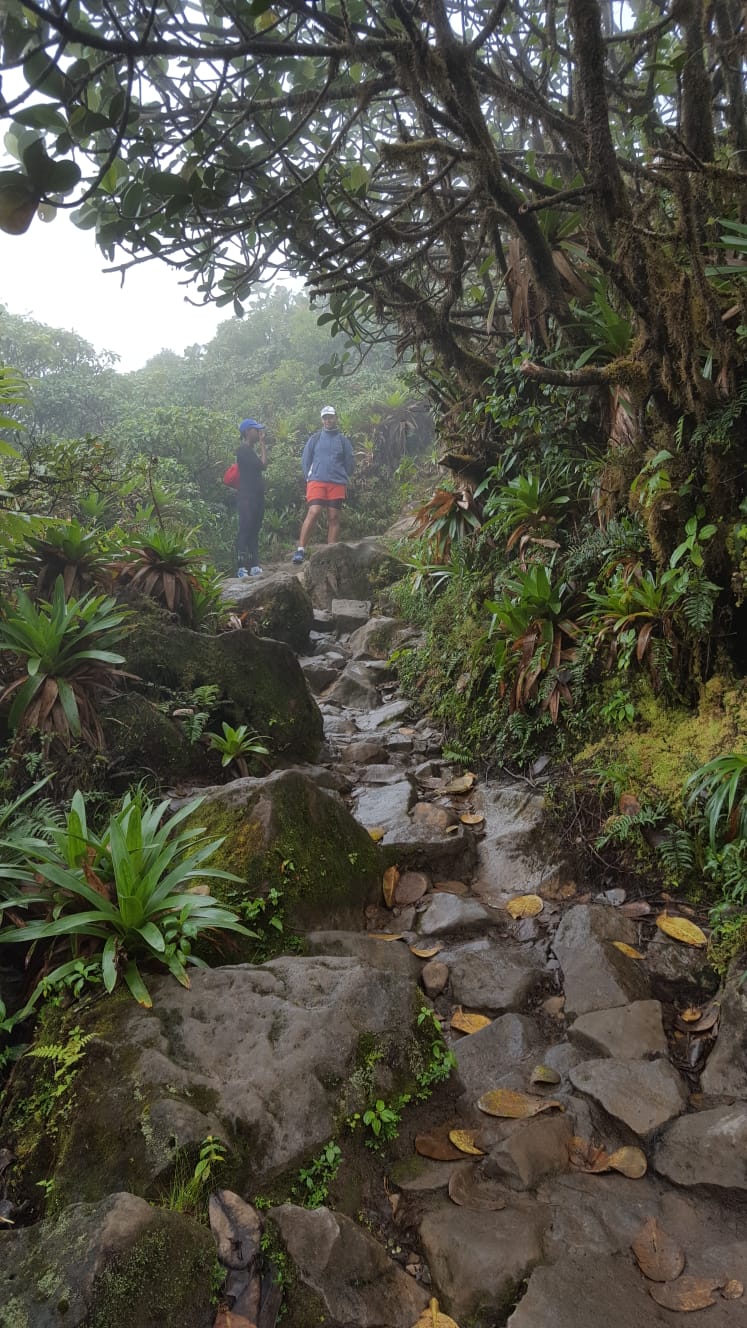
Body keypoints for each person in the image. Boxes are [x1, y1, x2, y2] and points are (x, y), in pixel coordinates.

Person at [291, 406, 354, 564]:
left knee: (334, 517)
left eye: (330, 417)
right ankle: (300, 549)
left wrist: (344, 475)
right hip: (317, 481)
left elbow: (349, 461)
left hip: (337, 482)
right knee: (314, 511)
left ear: (336, 418)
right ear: (322, 420)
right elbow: (306, 459)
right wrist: (309, 476)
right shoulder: (315, 438)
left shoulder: (343, 440)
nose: (328, 420)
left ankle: (330, 552)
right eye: (325, 418)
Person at [236, 418, 266, 578]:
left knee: (254, 530)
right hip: (247, 497)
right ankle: (241, 567)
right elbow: (262, 465)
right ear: (247, 432)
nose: (259, 432)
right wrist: (262, 445)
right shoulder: (242, 450)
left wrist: (261, 444)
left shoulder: (250, 450)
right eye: (256, 430)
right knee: (245, 530)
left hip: (257, 497)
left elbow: (262, 466)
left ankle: (254, 565)